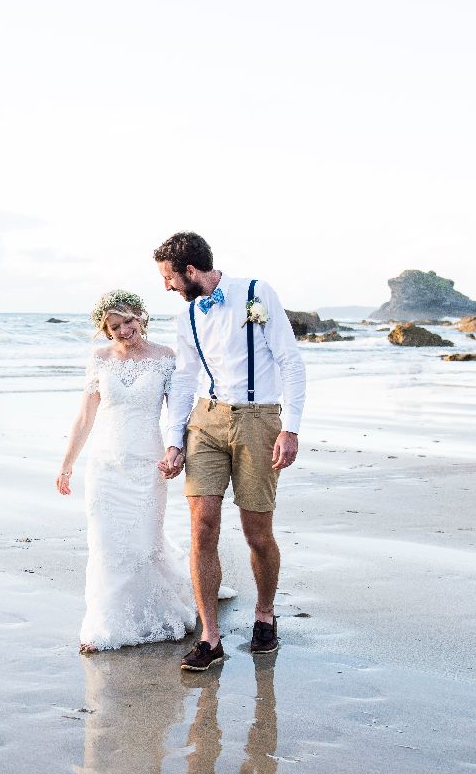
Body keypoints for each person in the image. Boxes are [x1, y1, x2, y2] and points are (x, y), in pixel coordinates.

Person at [153, 232, 306, 671]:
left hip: (259, 420)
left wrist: (290, 429)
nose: (167, 286)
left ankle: (265, 615)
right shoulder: (187, 315)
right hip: (206, 421)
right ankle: (210, 637)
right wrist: (174, 439)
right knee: (202, 527)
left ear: (190, 271)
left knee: (257, 533)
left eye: (169, 278)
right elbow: (185, 378)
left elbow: (291, 361)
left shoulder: (257, 293)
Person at [56, 290, 196, 654]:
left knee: (145, 545)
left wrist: (176, 451)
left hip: (148, 466)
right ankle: (106, 625)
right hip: (105, 467)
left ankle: (153, 613)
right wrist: (67, 464)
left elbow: (177, 413)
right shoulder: (99, 359)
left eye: (128, 321)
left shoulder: (166, 357)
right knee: (106, 546)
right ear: (106, 331)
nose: (123, 331)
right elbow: (85, 417)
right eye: (114, 326)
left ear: (141, 317)